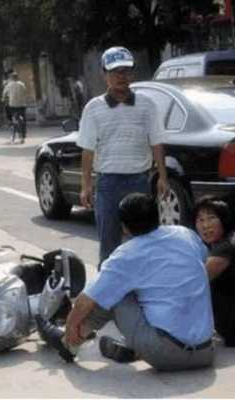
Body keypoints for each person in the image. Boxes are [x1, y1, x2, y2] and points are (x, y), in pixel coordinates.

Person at [60, 193, 214, 371]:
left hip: (165, 353)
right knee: (145, 288)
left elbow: (85, 302)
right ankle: (130, 348)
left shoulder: (126, 255)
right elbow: (203, 259)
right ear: (158, 215)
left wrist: (70, 325)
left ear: (124, 227)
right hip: (205, 352)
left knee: (114, 293)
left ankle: (69, 343)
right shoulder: (186, 235)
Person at [77, 46, 169, 265]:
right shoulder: (93, 108)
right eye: (115, 71)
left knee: (143, 241)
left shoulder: (147, 105)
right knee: (109, 243)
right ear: (105, 75)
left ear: (132, 74)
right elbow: (88, 150)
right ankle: (108, 295)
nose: (121, 76)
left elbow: (156, 142)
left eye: (126, 71)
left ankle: (144, 290)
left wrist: (163, 177)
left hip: (139, 180)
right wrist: (86, 185)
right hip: (108, 183)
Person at [194, 196, 235, 347]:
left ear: (224, 220)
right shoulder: (228, 240)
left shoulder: (225, 247)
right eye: (200, 220)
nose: (206, 225)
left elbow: (194, 283)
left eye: (211, 218)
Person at [2, 71, 27, 144]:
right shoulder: (22, 84)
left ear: (12, 78)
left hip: (13, 105)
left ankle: (15, 132)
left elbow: (4, 93)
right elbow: (25, 92)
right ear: (17, 78)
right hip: (22, 105)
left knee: (14, 120)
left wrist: (3, 98)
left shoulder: (9, 85)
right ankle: (23, 135)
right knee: (23, 119)